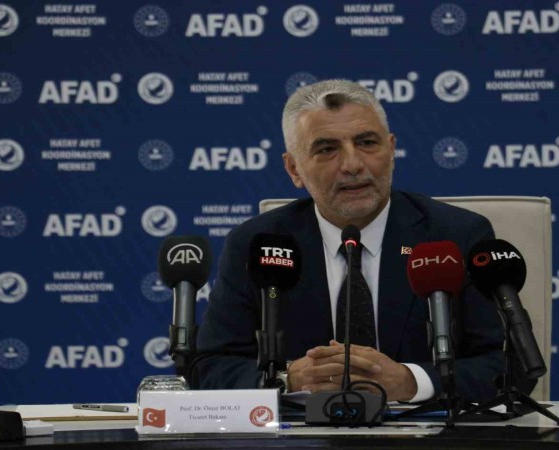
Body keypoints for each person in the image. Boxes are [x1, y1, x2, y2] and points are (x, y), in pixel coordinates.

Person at [196, 79, 516, 404]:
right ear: (294, 168)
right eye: (327, 149)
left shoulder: (455, 235)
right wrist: (286, 379)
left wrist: (412, 381)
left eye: (366, 143)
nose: (352, 165)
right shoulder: (255, 244)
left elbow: (509, 365)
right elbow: (208, 366)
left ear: (391, 150)